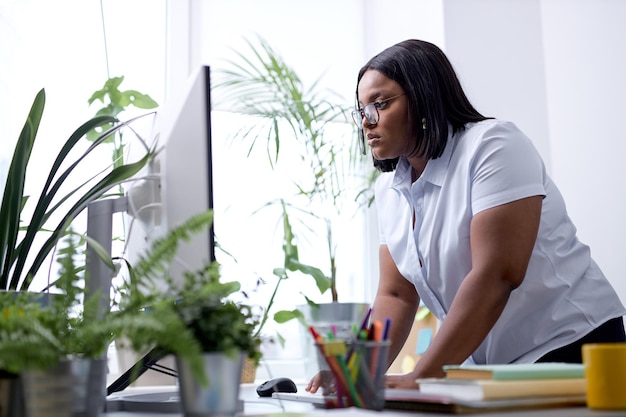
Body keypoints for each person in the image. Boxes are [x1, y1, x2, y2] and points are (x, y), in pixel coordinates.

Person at [306, 39, 626, 392]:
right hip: (496, 365)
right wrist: (355, 372)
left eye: (380, 104)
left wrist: (420, 377)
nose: (367, 122)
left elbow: (497, 274)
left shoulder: (493, 145)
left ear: (424, 95)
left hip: (570, 343)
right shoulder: (390, 190)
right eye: (362, 109)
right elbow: (395, 295)